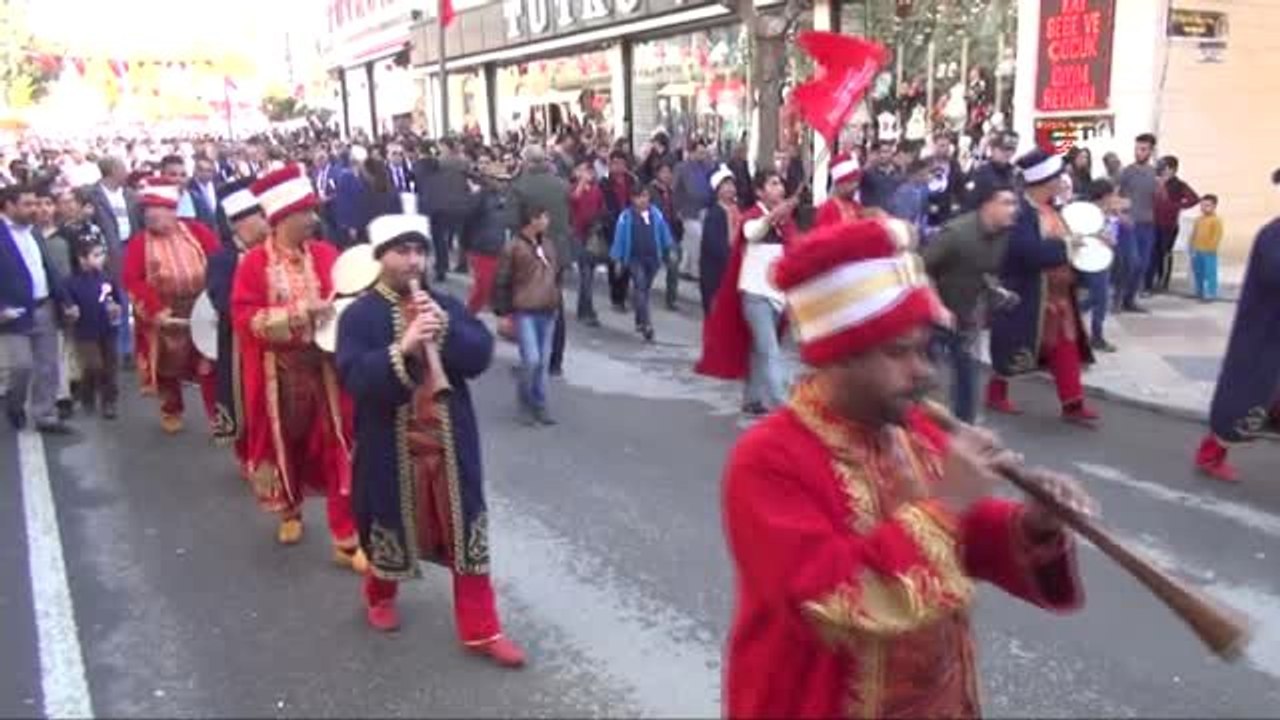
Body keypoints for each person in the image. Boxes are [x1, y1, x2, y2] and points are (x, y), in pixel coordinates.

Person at [722, 217, 1091, 718]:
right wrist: (949, 502)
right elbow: (830, 600)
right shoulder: (767, 459)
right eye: (899, 352)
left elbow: (961, 541)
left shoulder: (911, 428)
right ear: (839, 358)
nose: (924, 371)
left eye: (924, 350)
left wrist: (1032, 524)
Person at [334, 213, 526, 668]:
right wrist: (401, 350)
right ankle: (380, 596)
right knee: (387, 522)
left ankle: (482, 629)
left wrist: (447, 331)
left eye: (419, 251)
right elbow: (354, 378)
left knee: (467, 531)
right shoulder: (360, 315)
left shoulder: (442, 303)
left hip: (449, 439)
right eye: (403, 252)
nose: (414, 261)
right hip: (390, 443)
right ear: (381, 258)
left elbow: (479, 355)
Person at [230, 164, 360, 563]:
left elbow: (347, 297)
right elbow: (244, 319)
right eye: (306, 212)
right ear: (284, 217)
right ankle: (289, 509)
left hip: (325, 368)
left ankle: (345, 533)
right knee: (284, 444)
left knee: (339, 443)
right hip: (278, 374)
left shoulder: (325, 254)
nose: (314, 219)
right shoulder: (252, 265)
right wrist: (301, 312)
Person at [985, 149, 1100, 424]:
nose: (1063, 181)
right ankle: (996, 393)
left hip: (1058, 295)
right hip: (1028, 293)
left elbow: (1068, 242)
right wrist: (1064, 247)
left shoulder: (1054, 210)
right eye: (1059, 176)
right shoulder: (1021, 213)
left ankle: (1073, 404)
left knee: (1066, 345)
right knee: (1013, 345)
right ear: (1045, 180)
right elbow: (1025, 251)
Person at [1194, 172, 1280, 482]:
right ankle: (1210, 454)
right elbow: (1274, 275)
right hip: (1264, 331)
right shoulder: (1273, 233)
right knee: (1243, 396)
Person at [121, 178, 220, 433]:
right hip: (165, 313)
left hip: (202, 308)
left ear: (173, 211)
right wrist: (156, 311)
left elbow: (219, 264)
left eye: (158, 209)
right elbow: (132, 279)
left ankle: (219, 417)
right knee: (168, 367)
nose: (152, 215)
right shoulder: (139, 243)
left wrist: (216, 300)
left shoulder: (197, 232)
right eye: (147, 211)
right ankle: (171, 409)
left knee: (211, 365)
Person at [696, 170, 798, 416]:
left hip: (777, 295)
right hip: (755, 295)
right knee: (770, 349)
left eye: (780, 183)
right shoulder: (753, 217)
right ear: (760, 192)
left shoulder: (787, 223)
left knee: (759, 349)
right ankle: (783, 404)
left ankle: (752, 398)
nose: (780, 188)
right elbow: (752, 232)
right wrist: (775, 214)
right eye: (773, 184)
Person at [922, 178, 1020, 422]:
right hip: (931, 317)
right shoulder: (955, 234)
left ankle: (963, 425)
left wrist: (997, 291)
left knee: (967, 372)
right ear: (987, 205)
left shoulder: (1004, 234)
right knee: (922, 374)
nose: (1013, 209)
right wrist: (937, 307)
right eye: (1006, 203)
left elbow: (983, 270)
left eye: (1015, 203)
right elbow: (919, 270)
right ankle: (916, 422)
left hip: (966, 316)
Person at [205, 178, 269, 465]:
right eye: (260, 217)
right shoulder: (223, 259)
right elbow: (221, 300)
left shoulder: (271, 251)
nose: (267, 223)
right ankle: (247, 454)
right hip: (237, 342)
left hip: (270, 335)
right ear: (238, 224)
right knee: (243, 397)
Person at [0, 184, 70, 433]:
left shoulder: (35, 232)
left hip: (45, 307)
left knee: (48, 365)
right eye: (28, 204)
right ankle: (14, 403)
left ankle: (45, 415)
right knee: (21, 366)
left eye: (36, 204)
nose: (35, 210)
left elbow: (49, 269)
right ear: (9, 206)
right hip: (14, 314)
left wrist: (66, 301)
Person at [493, 205, 561, 425]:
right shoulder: (513, 247)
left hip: (548, 309)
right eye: (544, 216)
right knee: (531, 359)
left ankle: (539, 403)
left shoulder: (548, 245)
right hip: (525, 310)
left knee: (542, 361)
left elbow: (556, 274)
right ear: (533, 220)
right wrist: (503, 313)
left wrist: (555, 297)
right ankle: (524, 400)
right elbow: (502, 280)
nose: (547, 221)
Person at [609, 184, 676, 343]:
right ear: (632, 199)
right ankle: (647, 324)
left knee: (645, 289)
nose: (642, 200)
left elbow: (664, 232)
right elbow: (619, 239)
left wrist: (670, 249)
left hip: (652, 258)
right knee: (640, 287)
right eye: (639, 197)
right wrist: (617, 259)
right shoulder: (626, 216)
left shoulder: (656, 214)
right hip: (634, 258)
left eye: (645, 196)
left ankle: (640, 318)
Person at [64, 240, 123, 418]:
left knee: (110, 366)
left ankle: (109, 401)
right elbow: (68, 304)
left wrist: (116, 309)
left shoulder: (107, 278)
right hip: (85, 331)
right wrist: (71, 312)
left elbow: (117, 300)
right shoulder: (70, 282)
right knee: (93, 365)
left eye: (101, 254)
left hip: (107, 328)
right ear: (81, 259)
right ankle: (86, 392)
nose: (101, 259)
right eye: (95, 255)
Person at [1076, 179, 1120, 352]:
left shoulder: (1110, 214)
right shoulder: (1085, 212)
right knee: (1100, 298)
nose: (1114, 198)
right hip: (1089, 258)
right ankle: (1096, 336)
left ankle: (1091, 330)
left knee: (1100, 297)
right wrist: (1097, 235)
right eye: (1112, 194)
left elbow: (1113, 239)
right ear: (1105, 195)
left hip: (1103, 258)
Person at [1117, 133, 1158, 311]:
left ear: (1151, 151)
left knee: (1143, 265)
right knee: (1130, 262)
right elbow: (1114, 195)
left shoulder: (1153, 173)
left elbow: (1157, 198)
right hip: (1129, 224)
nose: (1138, 152)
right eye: (1137, 149)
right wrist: (1120, 214)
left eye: (1143, 149)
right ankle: (1117, 298)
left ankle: (1129, 300)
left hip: (1148, 224)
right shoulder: (1127, 172)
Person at [1151, 156, 1199, 293]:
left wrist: (1176, 206)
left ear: (1172, 169)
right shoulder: (1156, 182)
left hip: (1169, 225)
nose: (1161, 169)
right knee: (1155, 252)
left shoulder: (1179, 185)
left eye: (1164, 167)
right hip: (1155, 223)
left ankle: (1164, 282)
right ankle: (1156, 278)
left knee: (1166, 252)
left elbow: (1194, 199)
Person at [699, 166, 740, 315]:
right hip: (716, 272)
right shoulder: (714, 214)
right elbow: (715, 247)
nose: (730, 189)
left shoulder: (735, 209)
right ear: (717, 190)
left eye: (732, 185)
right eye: (725, 185)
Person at [813, 153, 864, 228]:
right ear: (839, 185)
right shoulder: (827, 209)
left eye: (856, 181)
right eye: (851, 182)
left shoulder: (857, 206)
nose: (855, 186)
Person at [1190, 194, 1223, 301]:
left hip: (1209, 252)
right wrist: (1192, 247)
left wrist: (1211, 248)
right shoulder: (1198, 220)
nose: (1204, 208)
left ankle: (1210, 293)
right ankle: (1199, 291)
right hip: (1197, 250)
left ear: (1214, 206)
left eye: (1208, 205)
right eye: (1203, 205)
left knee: (1210, 273)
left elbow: (1217, 236)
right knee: (1198, 272)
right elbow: (1194, 234)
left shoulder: (1216, 220)